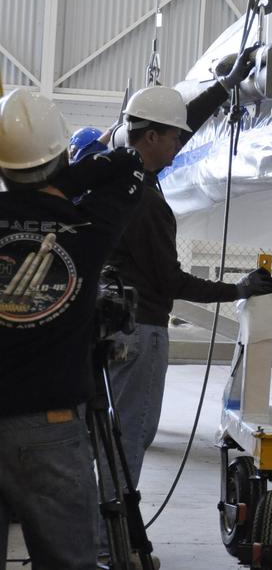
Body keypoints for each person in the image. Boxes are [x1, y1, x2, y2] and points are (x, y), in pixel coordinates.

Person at [105, 49, 272, 489]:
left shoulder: (120, 169)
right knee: (132, 435)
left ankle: (105, 532)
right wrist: (237, 289)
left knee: (122, 431)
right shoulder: (144, 204)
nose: (181, 145)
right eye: (173, 139)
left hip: (120, 323)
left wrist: (223, 88)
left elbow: (175, 126)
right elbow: (171, 281)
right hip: (142, 329)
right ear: (149, 139)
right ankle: (110, 544)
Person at [0, 90, 147, 568]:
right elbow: (135, 167)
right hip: (49, 428)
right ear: (62, 156)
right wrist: (86, 170)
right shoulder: (89, 229)